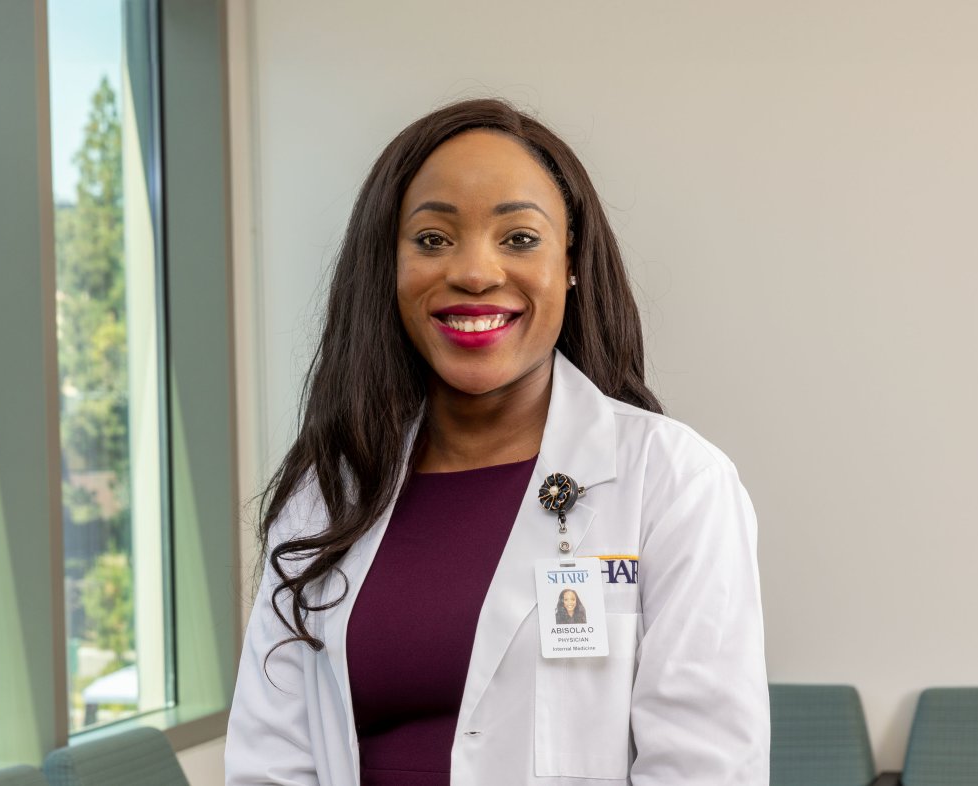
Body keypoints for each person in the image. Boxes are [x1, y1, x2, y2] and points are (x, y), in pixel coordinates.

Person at [224, 98, 769, 785]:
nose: (475, 272)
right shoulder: (327, 493)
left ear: (571, 263)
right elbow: (271, 763)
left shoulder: (673, 481)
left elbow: (704, 769)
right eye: (432, 239)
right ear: (387, 269)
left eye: (518, 238)